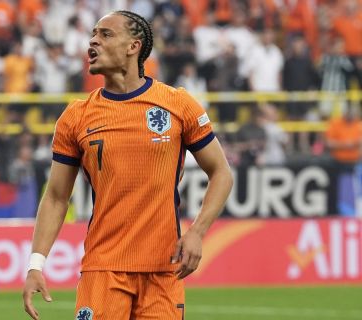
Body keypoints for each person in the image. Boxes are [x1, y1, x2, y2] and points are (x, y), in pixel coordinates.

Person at [23, 10, 233, 320]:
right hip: (103, 269)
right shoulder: (77, 116)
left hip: (163, 271)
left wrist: (197, 232)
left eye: (106, 34)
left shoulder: (177, 104)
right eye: (93, 33)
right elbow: (56, 196)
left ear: (133, 46)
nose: (93, 40)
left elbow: (221, 173)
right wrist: (35, 265)